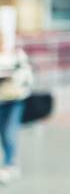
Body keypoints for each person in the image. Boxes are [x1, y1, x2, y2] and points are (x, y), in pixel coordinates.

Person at [0, 30, 33, 183]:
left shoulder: (16, 55)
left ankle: (9, 163)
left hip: (14, 99)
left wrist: (13, 77)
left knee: (9, 132)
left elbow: (27, 75)